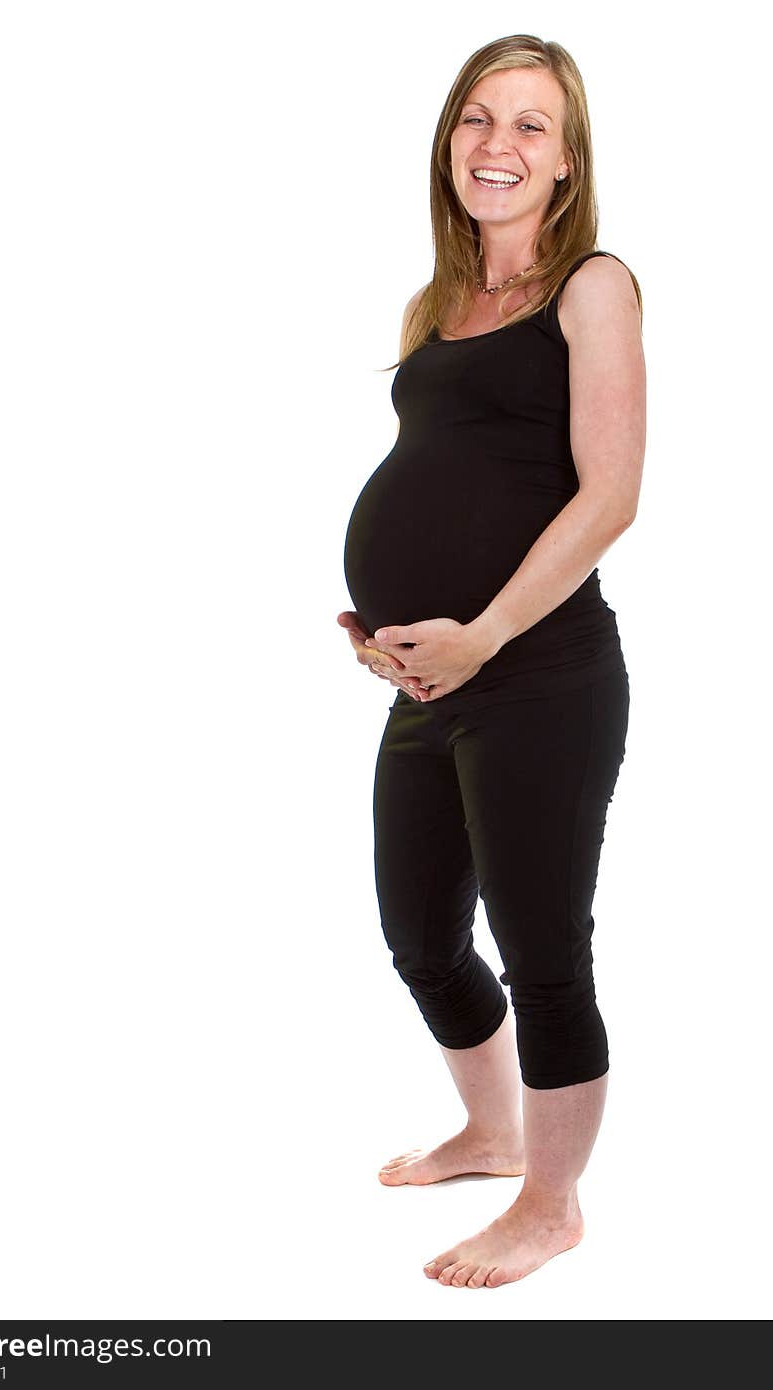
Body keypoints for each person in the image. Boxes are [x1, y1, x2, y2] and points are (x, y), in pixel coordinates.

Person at [338, 34, 645, 1289]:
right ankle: (489, 1126)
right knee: (417, 930)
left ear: (566, 162)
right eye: (476, 119)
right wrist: (394, 636)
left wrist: (479, 634)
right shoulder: (443, 302)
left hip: (541, 673)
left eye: (528, 125)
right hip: (438, 678)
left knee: (542, 947)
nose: (496, 146)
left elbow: (609, 496)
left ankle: (551, 1203)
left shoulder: (594, 286)